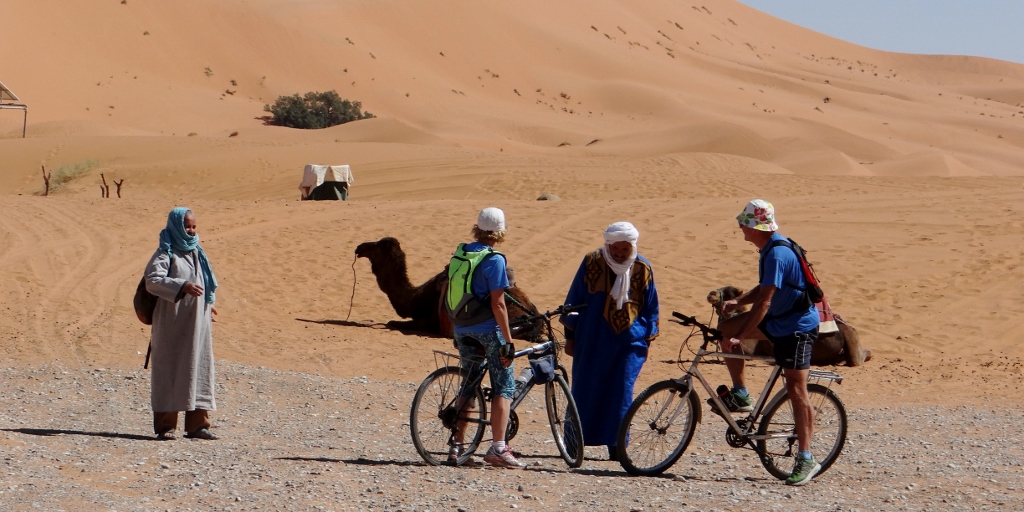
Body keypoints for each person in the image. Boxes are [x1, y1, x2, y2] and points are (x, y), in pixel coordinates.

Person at [718, 199, 821, 485]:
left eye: (744, 223)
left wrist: (743, 334)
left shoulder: (776, 253)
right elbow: (765, 288)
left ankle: (806, 457)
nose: (740, 227)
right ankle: (740, 393)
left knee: (796, 390)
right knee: (725, 329)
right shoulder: (769, 247)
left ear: (755, 227)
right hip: (778, 320)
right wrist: (739, 301)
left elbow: (764, 302)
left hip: (797, 327)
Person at [562, 222, 659, 461]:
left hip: (630, 342)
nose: (619, 253)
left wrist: (647, 340)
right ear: (608, 245)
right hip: (592, 339)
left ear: (632, 246)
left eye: (625, 249)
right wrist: (570, 336)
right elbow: (574, 300)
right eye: (615, 248)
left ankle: (617, 444)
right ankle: (574, 443)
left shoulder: (642, 267)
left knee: (622, 393)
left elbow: (651, 307)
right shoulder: (591, 261)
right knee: (585, 390)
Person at [445, 207, 523, 468]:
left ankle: (456, 447)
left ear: (477, 228)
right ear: (501, 232)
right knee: (503, 386)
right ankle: (499, 448)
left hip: (461, 328)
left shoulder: (462, 252)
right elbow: (498, 304)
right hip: (488, 329)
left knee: (468, 384)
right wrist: (508, 341)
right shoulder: (495, 260)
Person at [144, 207, 219, 441]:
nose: (191, 230)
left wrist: (208, 304)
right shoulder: (165, 252)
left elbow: (203, 281)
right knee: (171, 369)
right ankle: (166, 426)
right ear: (176, 226)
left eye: (194, 226)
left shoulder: (197, 252)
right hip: (172, 322)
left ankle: (198, 426)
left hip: (198, 323)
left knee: (199, 367)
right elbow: (153, 280)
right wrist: (182, 286)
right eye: (187, 226)